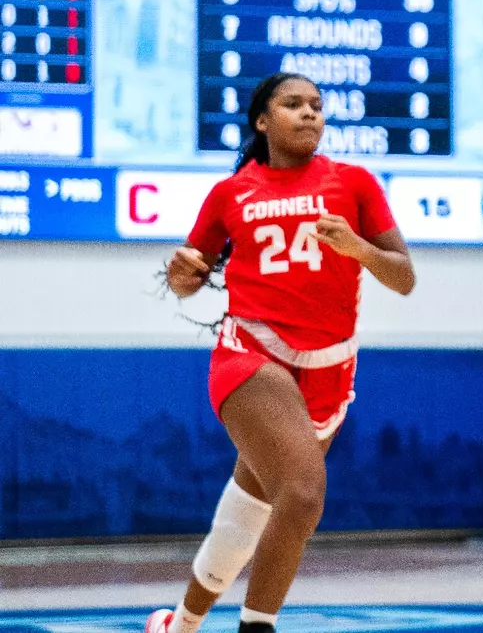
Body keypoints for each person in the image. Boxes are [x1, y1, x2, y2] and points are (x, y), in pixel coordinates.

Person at [147, 73, 414, 633]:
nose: (310, 114)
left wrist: (357, 247)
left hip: (330, 367)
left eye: (317, 106)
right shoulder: (231, 193)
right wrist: (179, 276)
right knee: (303, 493)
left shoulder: (355, 183)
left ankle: (179, 625)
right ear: (263, 121)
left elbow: (404, 277)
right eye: (293, 104)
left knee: (248, 514)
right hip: (251, 351)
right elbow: (190, 276)